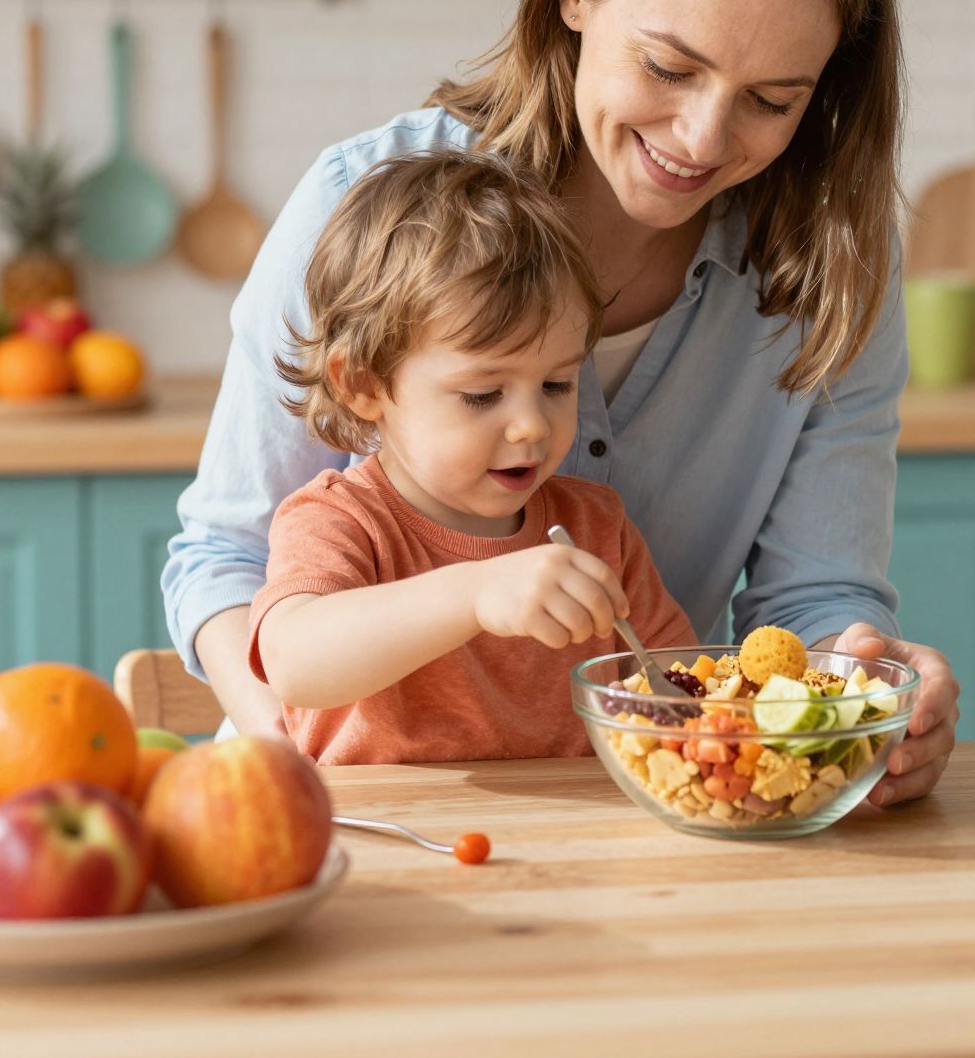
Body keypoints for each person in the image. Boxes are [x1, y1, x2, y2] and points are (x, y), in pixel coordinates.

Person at [164, 0, 960, 805]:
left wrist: (859, 693)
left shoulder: (834, 265)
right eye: (668, 66)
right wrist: (307, 752)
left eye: (770, 101)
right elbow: (227, 563)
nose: (704, 138)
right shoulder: (361, 210)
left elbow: (805, 606)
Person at [252, 149, 696, 764]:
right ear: (363, 384)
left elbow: (683, 693)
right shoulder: (340, 522)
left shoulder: (598, 531)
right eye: (482, 394)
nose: (530, 427)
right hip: (395, 845)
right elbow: (294, 662)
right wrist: (476, 593)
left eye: (557, 385)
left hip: (576, 844)